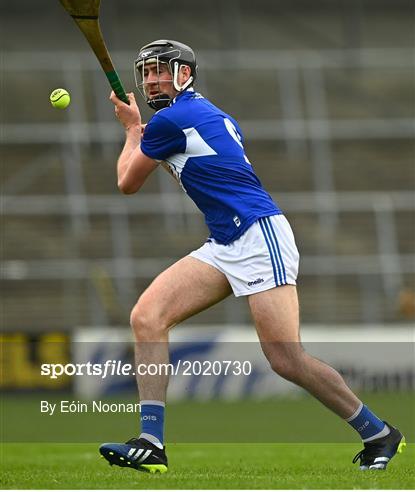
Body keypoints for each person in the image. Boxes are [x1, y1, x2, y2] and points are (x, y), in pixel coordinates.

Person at [99, 40, 405, 474]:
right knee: (147, 317)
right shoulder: (205, 114)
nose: (151, 80)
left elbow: (127, 183)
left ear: (185, 73)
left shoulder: (173, 119)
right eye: (146, 73)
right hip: (226, 241)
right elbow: (188, 165)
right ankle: (151, 442)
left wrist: (132, 131)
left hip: (260, 237)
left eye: (161, 70)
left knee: (286, 359)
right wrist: (146, 134)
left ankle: (379, 433)